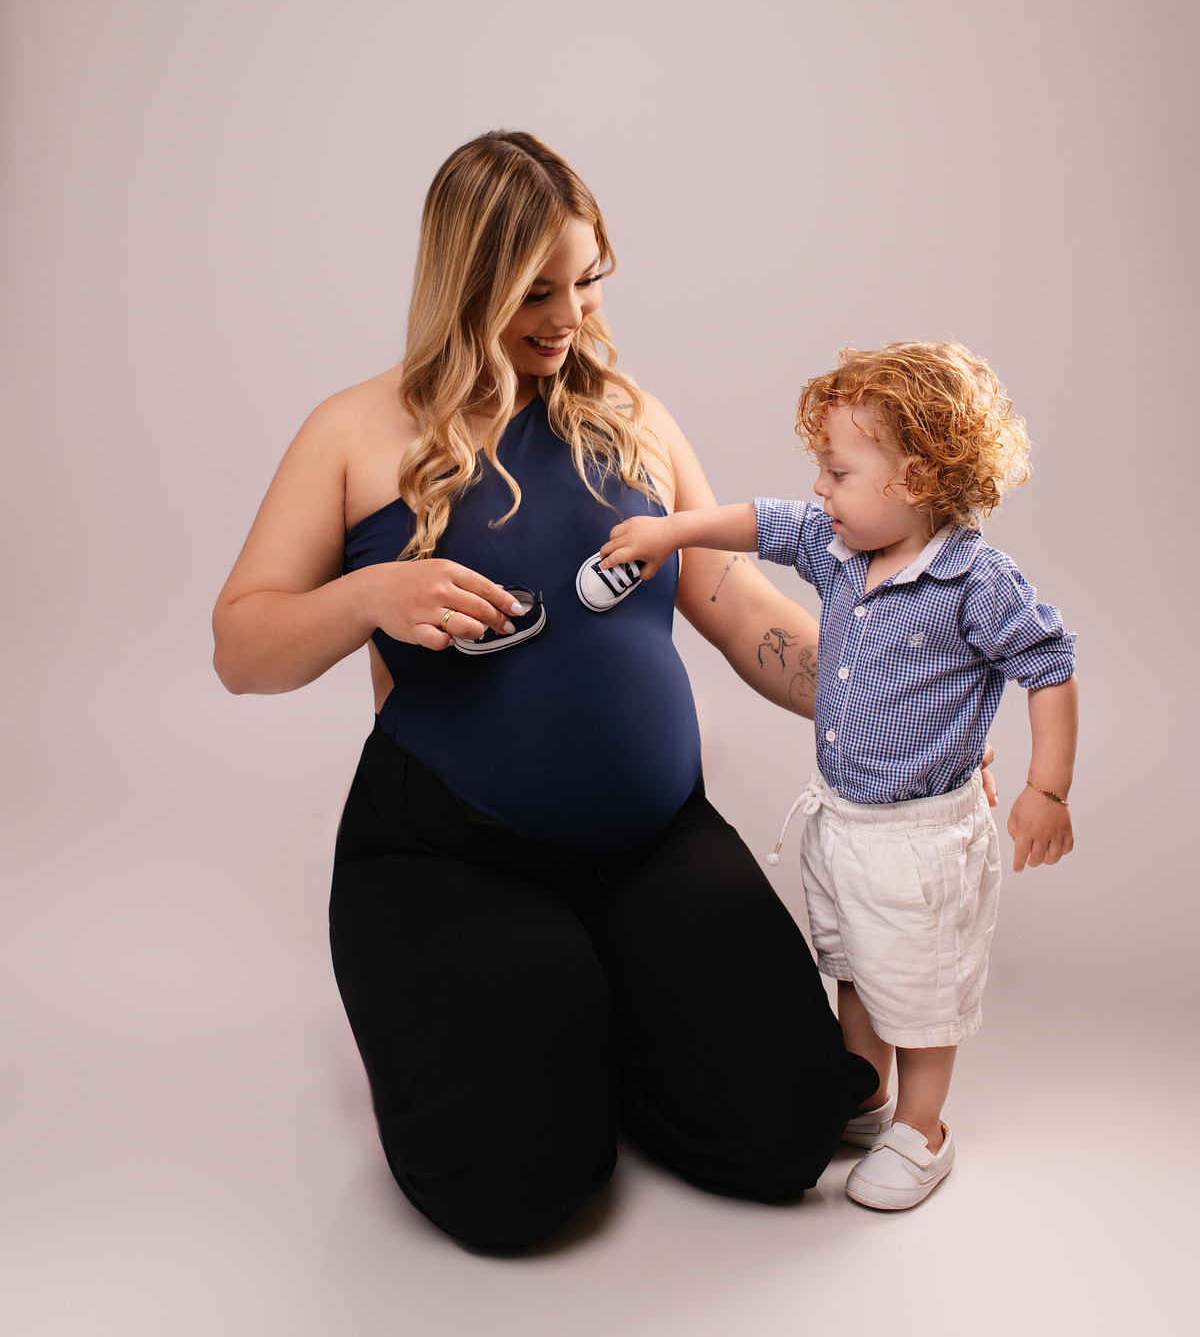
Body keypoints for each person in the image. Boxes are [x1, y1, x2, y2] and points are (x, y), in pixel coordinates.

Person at [212, 131, 877, 1252]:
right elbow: (243, 646)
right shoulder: (357, 430)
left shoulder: (633, 415)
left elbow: (738, 607)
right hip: (447, 856)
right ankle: (546, 1011)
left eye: (587, 281)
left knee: (785, 1135)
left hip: (655, 841)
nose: (568, 316)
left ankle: (591, 992)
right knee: (516, 1193)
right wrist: (370, 594)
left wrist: (897, 707)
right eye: (535, 291)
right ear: (464, 282)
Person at [601, 340, 1078, 1210]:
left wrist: (1049, 787)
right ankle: (865, 1089)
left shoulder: (976, 581)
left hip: (923, 837)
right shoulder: (840, 549)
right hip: (846, 821)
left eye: (838, 471)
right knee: (856, 963)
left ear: (918, 480)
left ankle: (924, 1130)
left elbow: (1048, 665)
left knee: (920, 984)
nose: (820, 489)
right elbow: (761, 521)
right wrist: (674, 529)